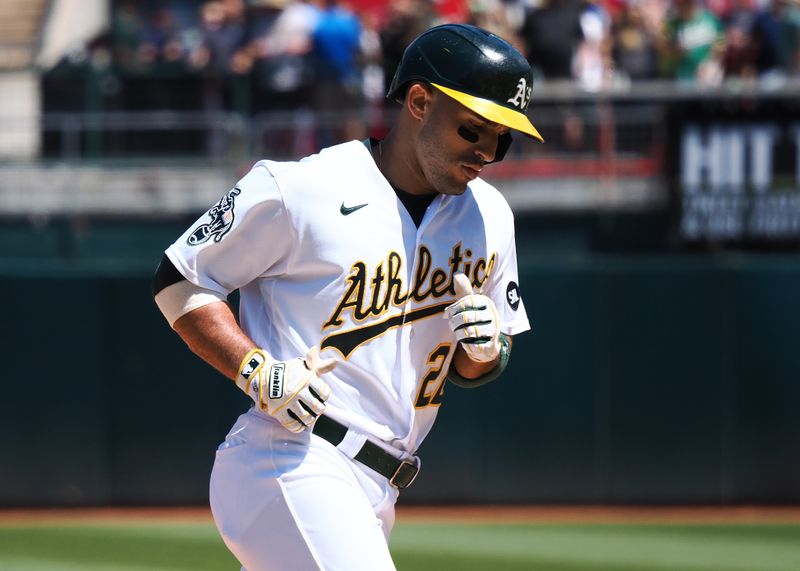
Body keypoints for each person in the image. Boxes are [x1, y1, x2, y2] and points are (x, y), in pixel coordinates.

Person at [152, 23, 539, 570]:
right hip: (291, 457)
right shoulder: (305, 187)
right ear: (420, 102)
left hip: (382, 484)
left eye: (504, 137)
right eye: (474, 129)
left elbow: (473, 366)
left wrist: (485, 351)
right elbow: (180, 277)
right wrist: (254, 369)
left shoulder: (489, 216)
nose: (488, 151)